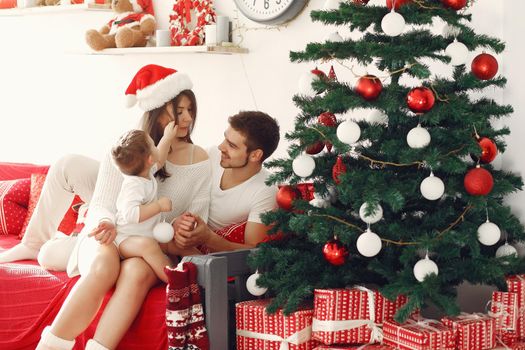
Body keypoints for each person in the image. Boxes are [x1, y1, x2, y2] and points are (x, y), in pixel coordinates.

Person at [31, 64, 212, 350]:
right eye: (179, 110)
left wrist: (186, 227)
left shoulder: (200, 160)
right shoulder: (127, 147)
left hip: (150, 245)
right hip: (112, 235)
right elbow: (103, 202)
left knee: (137, 272)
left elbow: (198, 216)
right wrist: (105, 224)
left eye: (191, 109)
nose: (187, 118)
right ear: (157, 110)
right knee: (104, 266)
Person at [174, 110, 280, 254]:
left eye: (232, 145)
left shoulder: (265, 190)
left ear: (255, 155)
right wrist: (175, 221)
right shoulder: (211, 155)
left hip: (203, 255)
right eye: (225, 138)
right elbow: (173, 189)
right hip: (172, 236)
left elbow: (254, 252)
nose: (221, 147)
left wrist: (208, 238)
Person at [110, 126, 177, 283]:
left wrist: (167, 137)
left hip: (142, 236)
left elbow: (159, 160)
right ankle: (175, 280)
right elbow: (132, 214)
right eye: (154, 145)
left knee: (174, 242)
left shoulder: (145, 173)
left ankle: (205, 267)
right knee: (149, 246)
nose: (156, 147)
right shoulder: (134, 185)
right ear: (149, 160)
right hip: (125, 240)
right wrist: (159, 206)